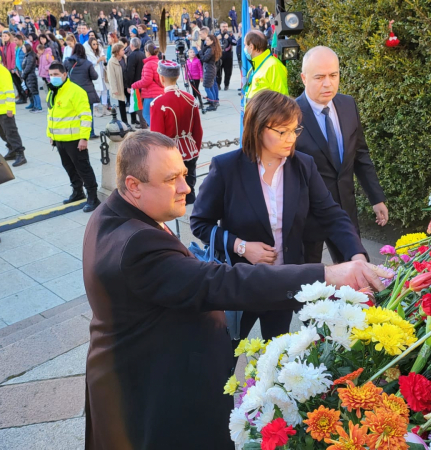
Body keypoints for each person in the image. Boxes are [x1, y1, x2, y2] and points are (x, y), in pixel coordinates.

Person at [82, 129, 388, 450]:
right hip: (154, 398)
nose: (186, 189)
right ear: (134, 186)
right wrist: (328, 274)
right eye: (171, 179)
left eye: (185, 174)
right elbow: (222, 283)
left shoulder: (112, 214)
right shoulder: (136, 245)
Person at [190, 90, 367, 340]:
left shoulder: (303, 166)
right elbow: (199, 223)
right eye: (281, 131)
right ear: (257, 128)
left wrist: (356, 255)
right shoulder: (227, 168)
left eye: (295, 130)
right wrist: (242, 247)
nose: (291, 139)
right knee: (226, 353)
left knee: (277, 352)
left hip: (284, 280)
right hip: (241, 282)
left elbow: (332, 215)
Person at [296, 46, 388, 263]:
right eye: (319, 77)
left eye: (333, 75)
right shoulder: (291, 115)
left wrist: (376, 197)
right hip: (307, 217)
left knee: (355, 274)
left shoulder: (347, 104)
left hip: (345, 211)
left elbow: (360, 155)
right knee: (309, 284)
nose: (328, 83)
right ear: (303, 78)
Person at [46, 61, 99, 212]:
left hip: (75, 140)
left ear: (64, 74)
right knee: (69, 167)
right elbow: (51, 115)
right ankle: (78, 192)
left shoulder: (76, 91)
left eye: (56, 74)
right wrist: (51, 135)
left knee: (83, 168)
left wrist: (84, 138)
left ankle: (93, 197)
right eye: (50, 75)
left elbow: (86, 116)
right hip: (60, 139)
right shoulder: (53, 91)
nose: (53, 77)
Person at [149, 60, 202, 204]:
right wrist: (195, 149)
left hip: (170, 153)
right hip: (190, 150)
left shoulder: (158, 103)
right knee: (190, 185)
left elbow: (157, 137)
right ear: (177, 77)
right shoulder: (190, 99)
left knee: (172, 190)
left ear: (161, 78)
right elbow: (198, 130)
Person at [64, 43, 100, 138]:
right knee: (89, 113)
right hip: (87, 91)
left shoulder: (67, 62)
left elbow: (63, 75)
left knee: (75, 113)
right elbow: (95, 76)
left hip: (73, 92)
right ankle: (90, 132)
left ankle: (77, 132)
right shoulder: (87, 63)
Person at [242, 30, 288, 102]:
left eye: (245, 45)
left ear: (251, 47)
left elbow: (282, 100)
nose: (244, 48)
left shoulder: (273, 66)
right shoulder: (254, 66)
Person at [130, 42, 163, 127]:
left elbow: (146, 81)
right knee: (158, 116)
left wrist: (134, 85)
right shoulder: (158, 62)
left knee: (146, 114)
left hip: (151, 94)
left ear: (148, 52)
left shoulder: (148, 64)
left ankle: (156, 132)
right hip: (160, 92)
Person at [0, 31, 26, 104]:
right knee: (16, 83)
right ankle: (21, 96)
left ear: (9, 36)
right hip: (8, 67)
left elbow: (14, 57)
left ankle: (23, 97)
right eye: (3, 36)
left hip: (13, 68)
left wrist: (13, 68)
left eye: (6, 36)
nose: (4, 37)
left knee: (18, 82)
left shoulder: (12, 45)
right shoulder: (5, 45)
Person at [85, 38, 109, 117]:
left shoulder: (100, 50)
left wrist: (104, 60)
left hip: (103, 72)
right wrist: (99, 60)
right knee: (97, 91)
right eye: (93, 44)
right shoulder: (88, 53)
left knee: (105, 90)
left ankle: (105, 108)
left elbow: (104, 62)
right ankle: (95, 109)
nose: (95, 46)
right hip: (96, 73)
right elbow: (90, 63)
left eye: (96, 44)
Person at [123, 37, 144, 127]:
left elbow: (130, 71)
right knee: (141, 102)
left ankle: (142, 123)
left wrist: (129, 85)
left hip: (135, 83)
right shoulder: (143, 54)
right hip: (143, 82)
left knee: (137, 103)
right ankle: (143, 121)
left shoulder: (131, 56)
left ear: (131, 45)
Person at [198, 29, 220, 111]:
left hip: (209, 70)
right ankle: (212, 101)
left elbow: (204, 58)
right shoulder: (211, 48)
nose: (206, 41)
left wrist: (199, 51)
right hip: (210, 69)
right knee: (210, 86)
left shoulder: (211, 49)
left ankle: (213, 104)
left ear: (212, 41)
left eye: (207, 40)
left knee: (207, 87)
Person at [20, 43, 41, 112]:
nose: (22, 49)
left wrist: (23, 75)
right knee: (31, 92)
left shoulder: (30, 56)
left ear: (27, 48)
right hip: (28, 76)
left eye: (23, 48)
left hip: (30, 76)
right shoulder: (27, 55)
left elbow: (28, 67)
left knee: (34, 92)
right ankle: (34, 104)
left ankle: (38, 106)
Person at [217, 22, 235, 91]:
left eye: (226, 26)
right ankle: (218, 84)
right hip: (218, 55)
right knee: (218, 71)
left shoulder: (230, 34)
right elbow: (209, 42)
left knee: (228, 71)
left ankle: (226, 85)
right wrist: (216, 39)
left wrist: (229, 38)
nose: (225, 28)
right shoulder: (216, 34)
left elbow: (235, 42)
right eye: (223, 26)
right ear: (220, 27)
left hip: (228, 55)